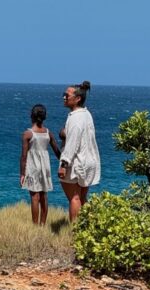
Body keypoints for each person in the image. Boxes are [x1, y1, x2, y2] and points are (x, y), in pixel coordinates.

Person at [57, 81, 101, 221]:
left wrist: (64, 164)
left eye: (67, 95)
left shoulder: (75, 118)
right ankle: (86, 229)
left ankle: (75, 231)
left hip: (77, 162)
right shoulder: (86, 114)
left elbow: (72, 143)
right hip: (89, 160)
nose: (64, 97)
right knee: (82, 198)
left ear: (77, 98)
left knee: (74, 198)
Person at [20, 104, 61, 225]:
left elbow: (23, 156)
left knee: (34, 196)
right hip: (45, 166)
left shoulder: (28, 134)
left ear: (31, 116)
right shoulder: (48, 133)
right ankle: (43, 224)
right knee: (44, 195)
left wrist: (22, 173)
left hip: (33, 166)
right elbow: (57, 152)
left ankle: (35, 225)